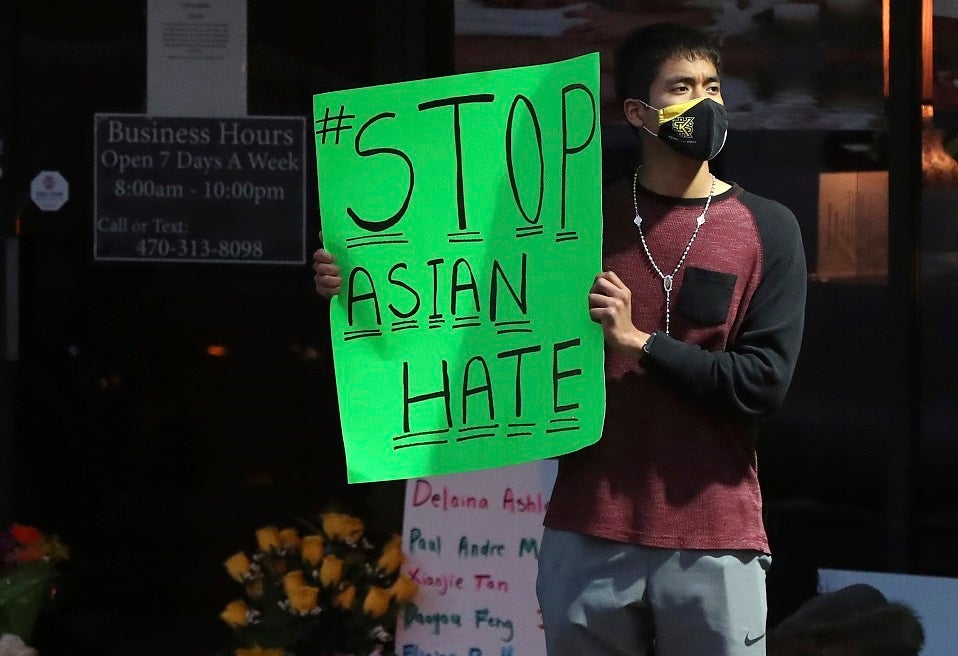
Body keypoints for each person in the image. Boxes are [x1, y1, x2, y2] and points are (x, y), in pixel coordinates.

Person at [313, 21, 806, 656]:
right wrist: (359, 282)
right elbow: (460, 313)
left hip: (714, 535)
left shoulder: (769, 228)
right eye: (682, 88)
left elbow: (763, 384)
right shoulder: (571, 222)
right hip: (587, 529)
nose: (705, 104)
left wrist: (641, 345)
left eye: (713, 87)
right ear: (637, 111)